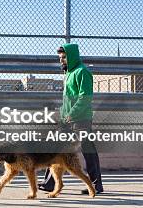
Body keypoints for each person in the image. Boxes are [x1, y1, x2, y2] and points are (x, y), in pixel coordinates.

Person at [38, 43, 104, 195]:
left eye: (64, 58)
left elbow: (85, 98)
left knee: (87, 150)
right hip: (66, 119)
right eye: (60, 58)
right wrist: (62, 114)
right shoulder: (68, 73)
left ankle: (96, 185)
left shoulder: (83, 72)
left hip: (81, 119)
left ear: (72, 57)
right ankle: (50, 183)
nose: (61, 61)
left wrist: (71, 114)